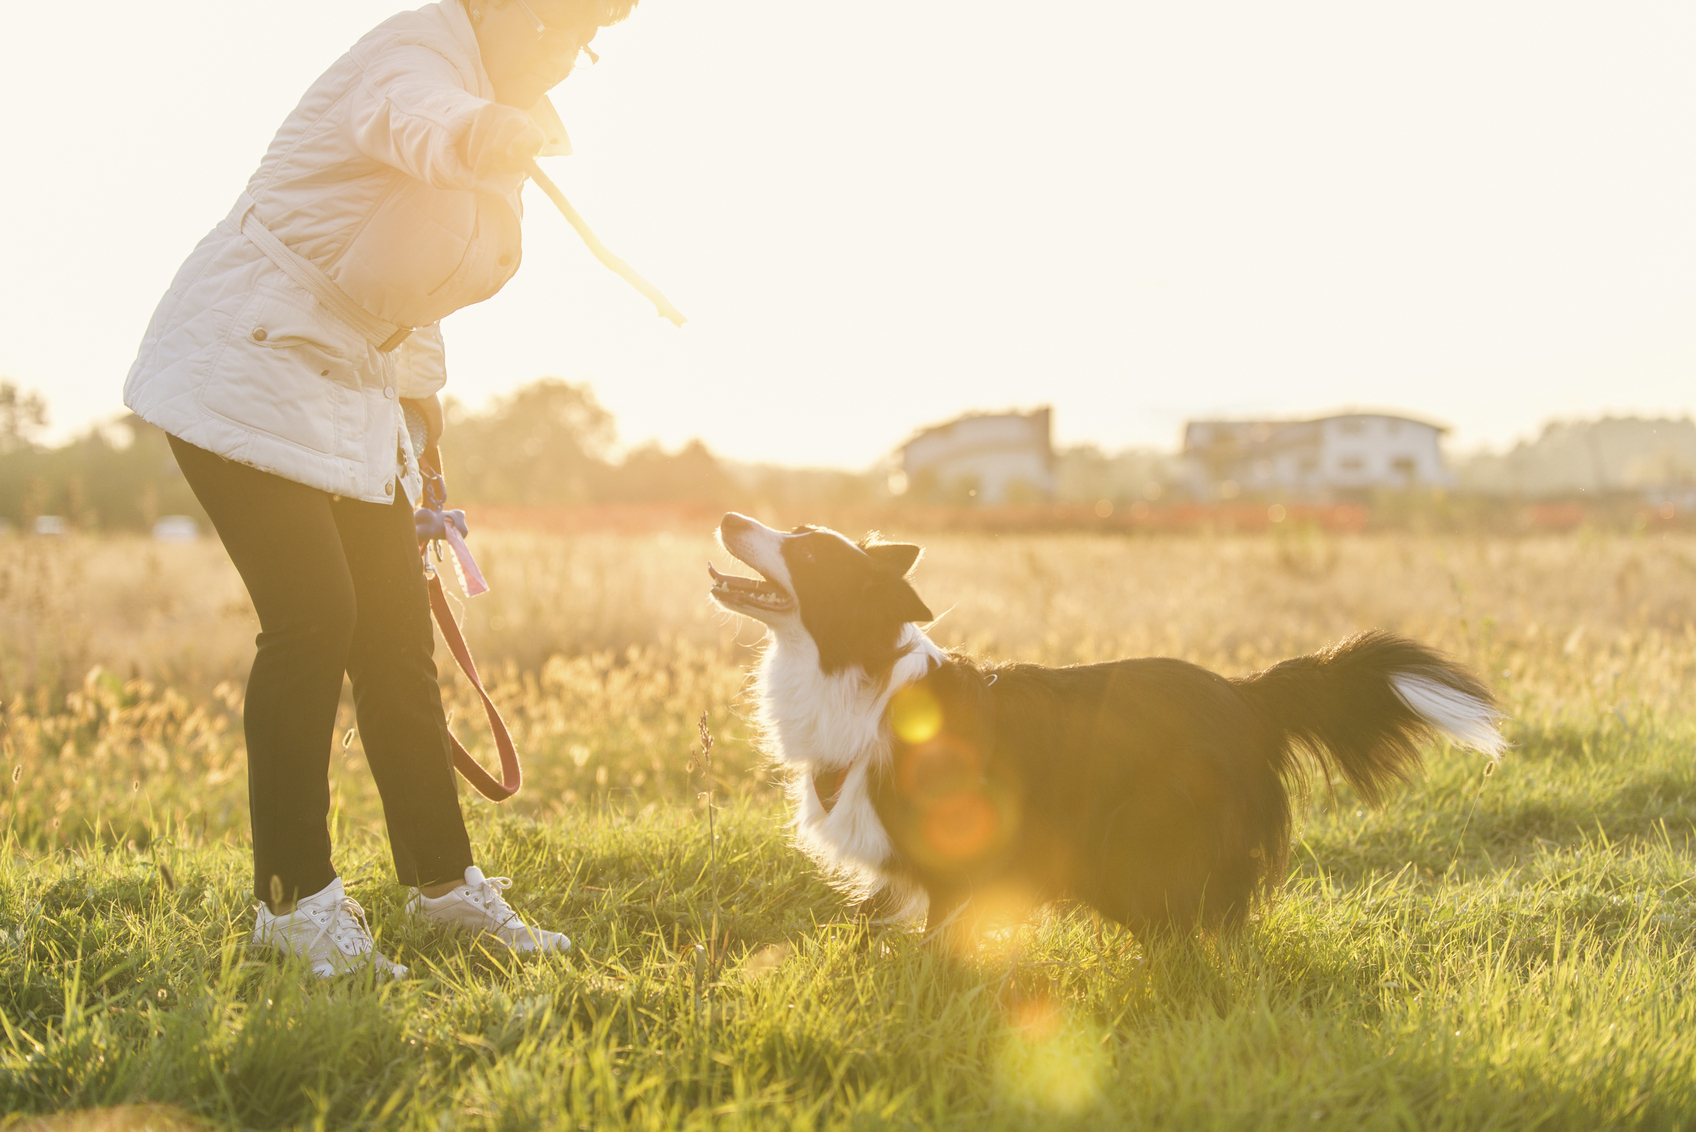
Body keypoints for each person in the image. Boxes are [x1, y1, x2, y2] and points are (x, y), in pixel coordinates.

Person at [123, 0, 640, 977]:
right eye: (565, 27)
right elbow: (414, 118)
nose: (574, 58)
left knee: (396, 639)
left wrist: (423, 419)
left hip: (353, 389)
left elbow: (417, 281)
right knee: (315, 618)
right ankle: (292, 903)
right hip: (244, 352)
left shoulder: (492, 103)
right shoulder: (417, 57)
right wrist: (478, 131)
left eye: (590, 40)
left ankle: (443, 885)